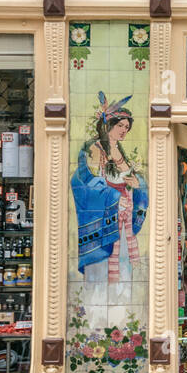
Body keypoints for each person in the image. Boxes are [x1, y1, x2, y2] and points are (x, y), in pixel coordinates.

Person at [72, 92, 147, 284]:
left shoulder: (120, 150)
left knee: (124, 270)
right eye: (120, 125)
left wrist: (138, 184)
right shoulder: (95, 149)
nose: (124, 130)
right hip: (107, 218)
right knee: (102, 274)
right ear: (109, 125)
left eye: (127, 127)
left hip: (124, 217)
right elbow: (85, 182)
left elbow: (132, 179)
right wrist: (113, 196)